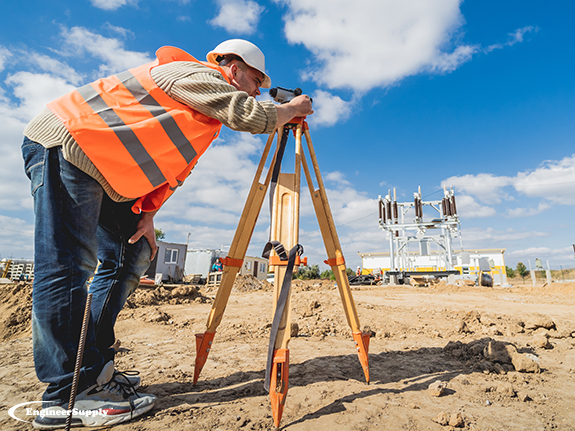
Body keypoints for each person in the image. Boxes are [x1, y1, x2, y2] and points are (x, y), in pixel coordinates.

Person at [22, 39, 313, 429]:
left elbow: (175, 170)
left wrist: (149, 213)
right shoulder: (193, 74)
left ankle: (95, 367)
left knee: (136, 252)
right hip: (71, 143)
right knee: (68, 267)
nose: (258, 89)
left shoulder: (202, 120)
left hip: (106, 172)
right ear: (233, 67)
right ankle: (66, 395)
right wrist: (290, 109)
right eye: (257, 80)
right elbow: (247, 114)